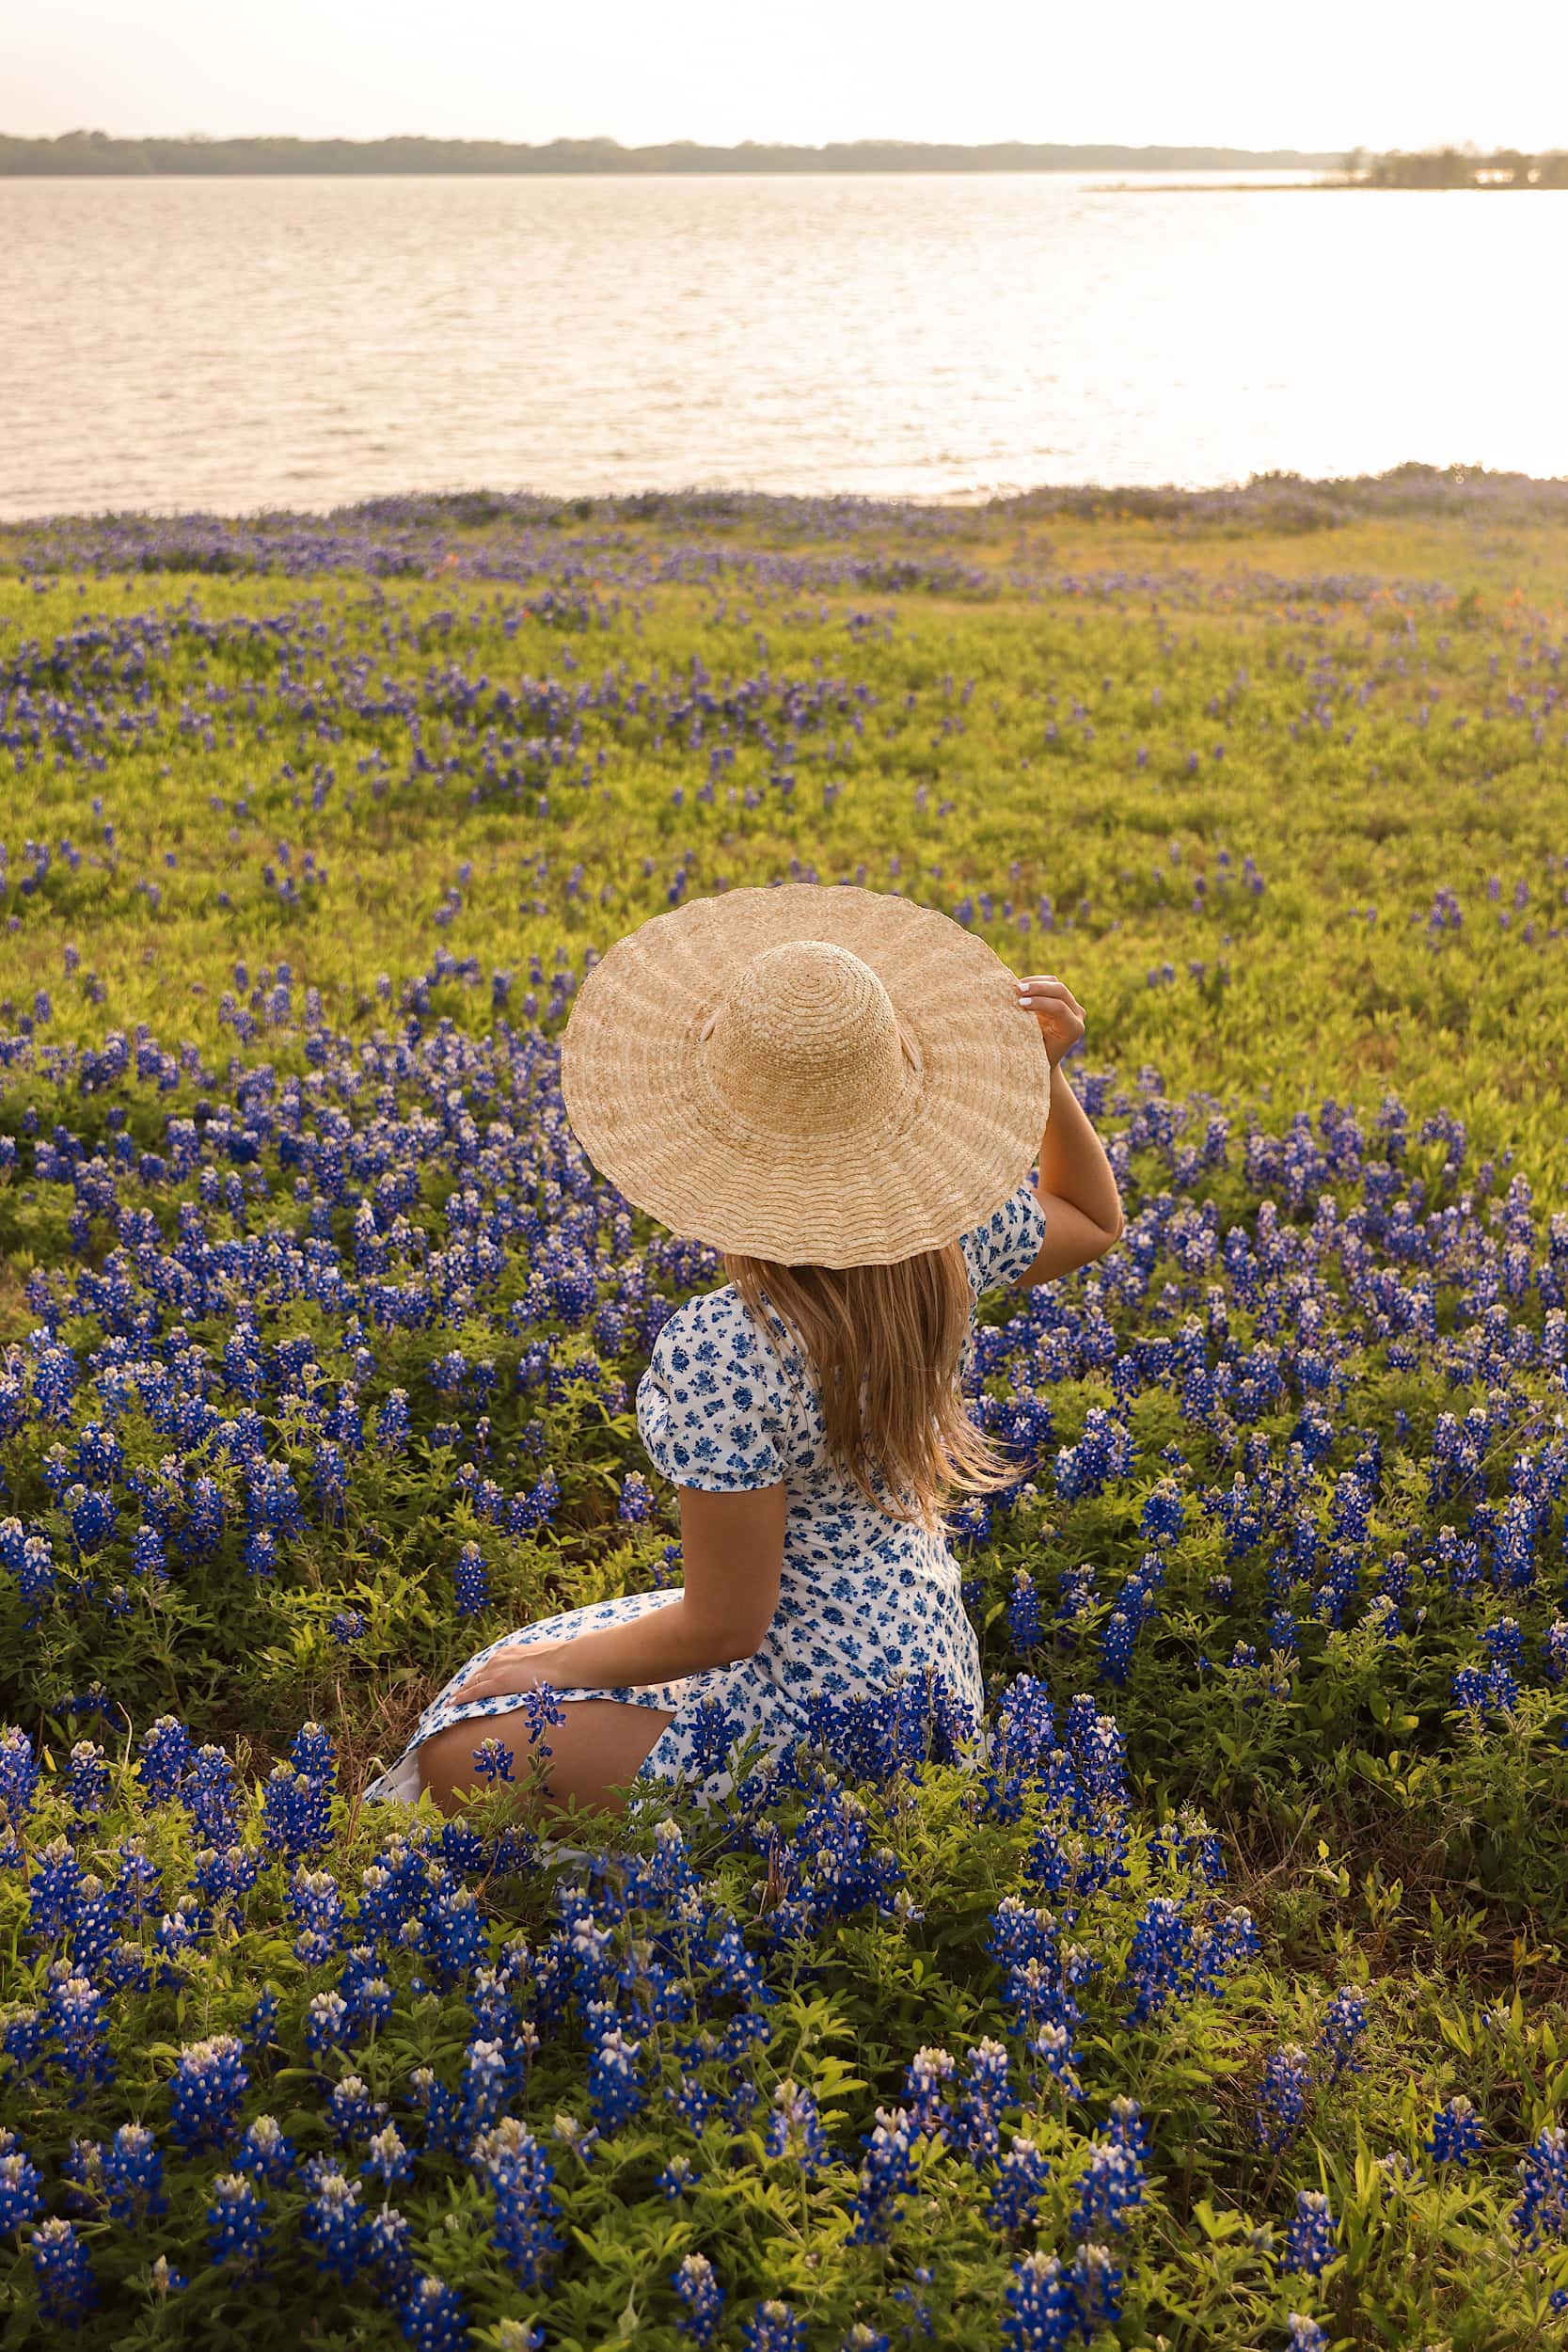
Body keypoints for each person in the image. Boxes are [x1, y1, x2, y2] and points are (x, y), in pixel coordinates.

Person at [362, 882, 1123, 1823]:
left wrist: (551, 1668)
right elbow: (1091, 1218)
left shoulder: (721, 1348)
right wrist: (1041, 1074)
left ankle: (768, 1854)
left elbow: (724, 1624)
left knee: (463, 1744)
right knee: (514, 1665)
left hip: (803, 1719)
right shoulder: (941, 1254)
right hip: (925, 1678)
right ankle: (833, 1828)